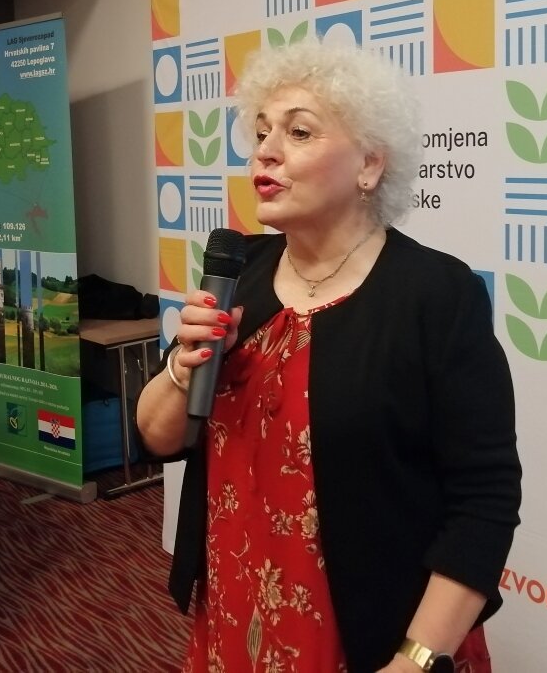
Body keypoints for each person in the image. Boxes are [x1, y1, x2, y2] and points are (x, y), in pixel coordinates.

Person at [137, 40, 522, 672]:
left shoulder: (435, 294)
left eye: (299, 132)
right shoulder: (240, 276)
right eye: (262, 132)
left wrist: (415, 659)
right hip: (238, 608)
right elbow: (157, 437)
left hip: (373, 635)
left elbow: (484, 498)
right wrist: (183, 368)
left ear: (369, 163)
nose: (266, 151)